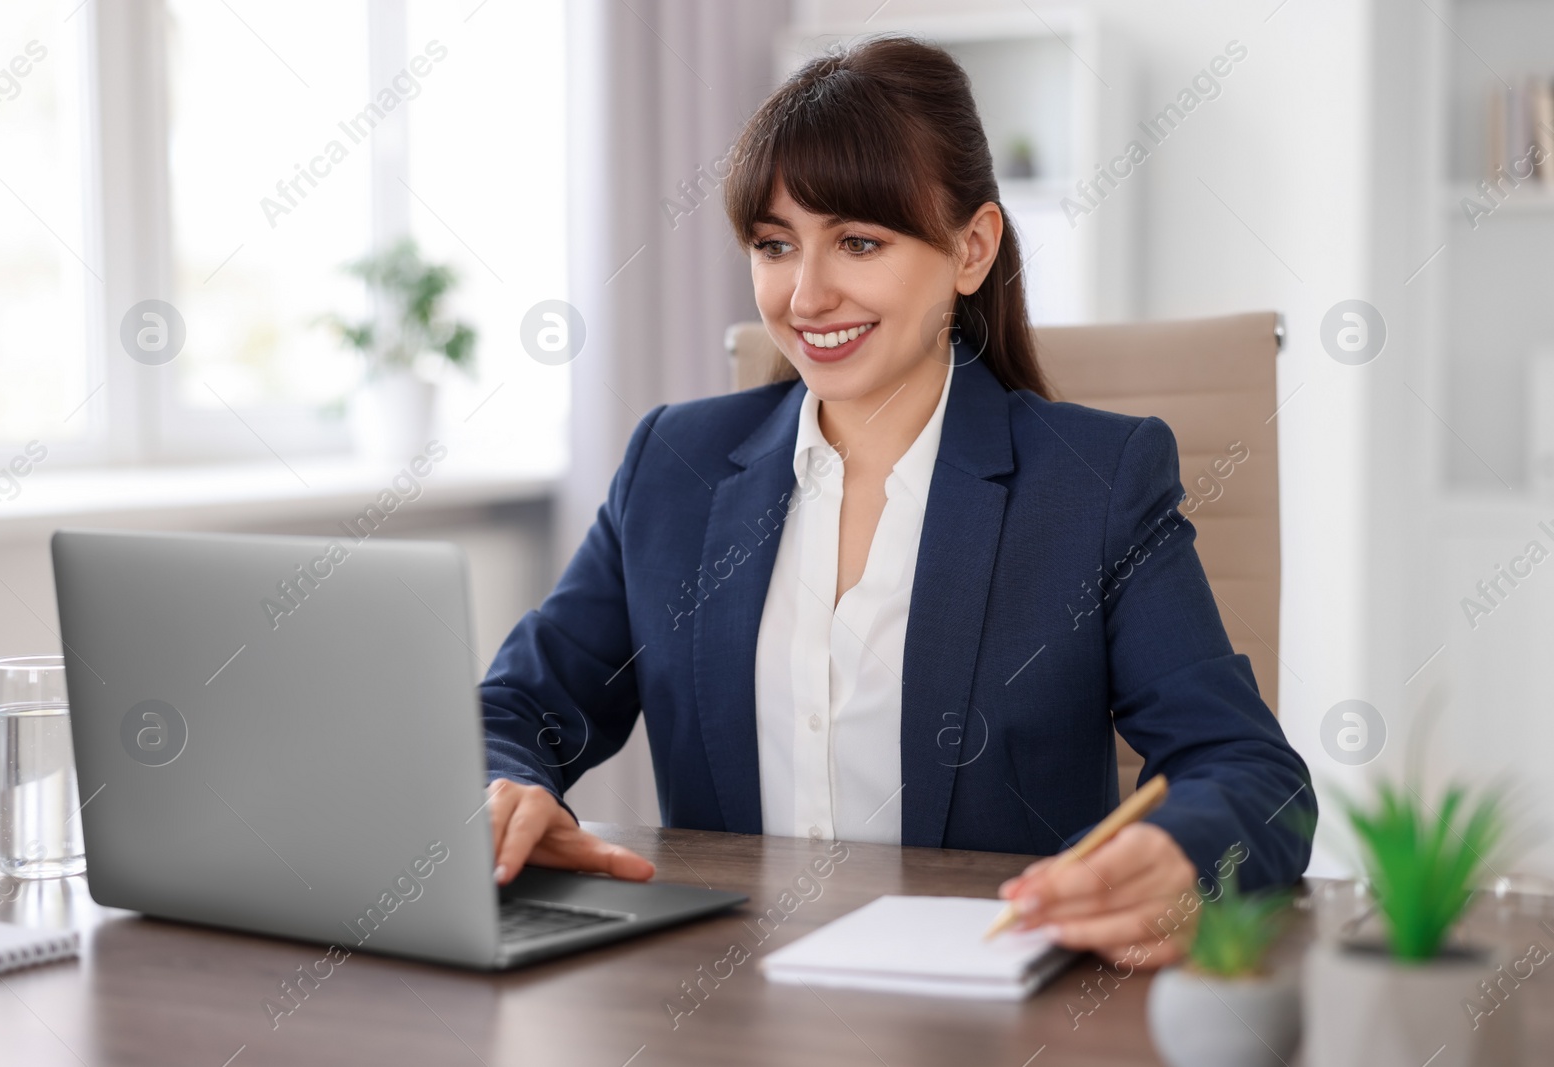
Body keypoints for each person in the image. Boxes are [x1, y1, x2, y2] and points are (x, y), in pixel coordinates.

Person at [481, 34, 1314, 968]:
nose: (806, 294)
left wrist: (1181, 857)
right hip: (726, 1007)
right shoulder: (673, 466)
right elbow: (517, 705)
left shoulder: (1098, 483)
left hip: (990, 1011)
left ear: (971, 248)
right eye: (774, 245)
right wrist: (506, 788)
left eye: (859, 242)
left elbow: (1253, 775)